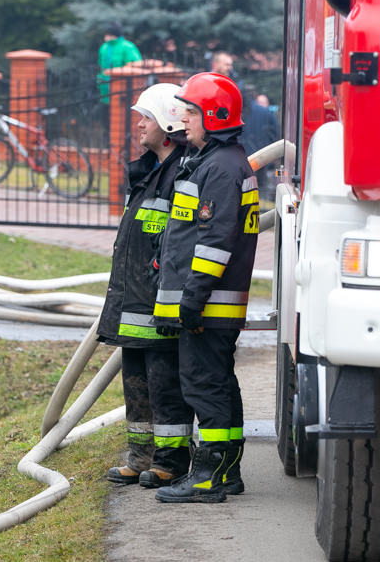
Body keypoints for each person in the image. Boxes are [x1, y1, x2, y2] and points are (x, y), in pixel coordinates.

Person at [154, 72, 259, 503]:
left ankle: (206, 478)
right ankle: (226, 470)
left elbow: (214, 244)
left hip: (208, 303)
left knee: (202, 386)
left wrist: (191, 300)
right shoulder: (217, 162)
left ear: (215, 115)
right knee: (217, 383)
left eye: (192, 112)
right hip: (210, 301)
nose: (184, 120)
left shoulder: (220, 168)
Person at [100, 83, 195, 489]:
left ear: (170, 125)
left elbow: (181, 243)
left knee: (165, 384)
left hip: (160, 304)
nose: (139, 124)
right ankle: (140, 455)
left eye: (147, 117)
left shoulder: (183, 173)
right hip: (135, 301)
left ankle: (171, 460)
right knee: (136, 382)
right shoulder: (149, 172)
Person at [242, 88, 280, 200]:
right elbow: (275, 135)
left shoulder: (240, 113)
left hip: (242, 159)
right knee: (260, 189)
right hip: (262, 160)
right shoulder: (267, 113)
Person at [97, 22, 141, 104]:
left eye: (106, 34)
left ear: (112, 35)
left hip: (122, 84)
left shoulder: (127, 46)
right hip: (105, 84)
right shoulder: (104, 47)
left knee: (120, 110)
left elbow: (135, 65)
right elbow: (101, 64)